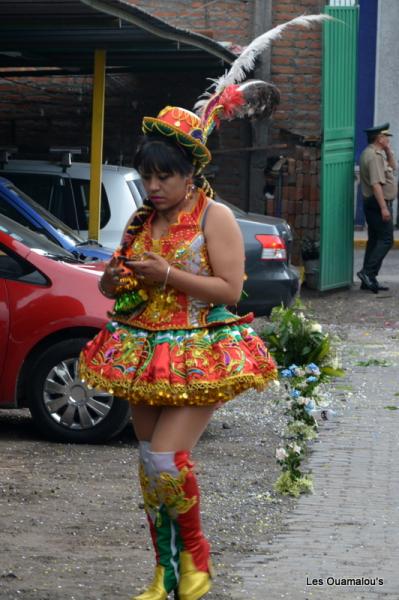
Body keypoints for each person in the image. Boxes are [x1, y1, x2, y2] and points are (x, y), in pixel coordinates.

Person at [79, 105, 277, 600]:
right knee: (149, 462)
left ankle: (197, 560)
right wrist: (112, 279)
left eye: (164, 176)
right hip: (144, 350)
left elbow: (231, 290)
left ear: (191, 175)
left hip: (201, 350)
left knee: (167, 459)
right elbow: (116, 285)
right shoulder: (142, 220)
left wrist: (166, 274)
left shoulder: (217, 216)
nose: (153, 186)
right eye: (147, 176)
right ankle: (163, 574)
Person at [357, 122, 397, 293]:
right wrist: (384, 208)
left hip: (376, 203)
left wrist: (388, 152)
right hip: (377, 203)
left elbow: (394, 168)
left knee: (374, 241)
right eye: (386, 137)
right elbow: (375, 185)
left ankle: (369, 279)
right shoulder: (372, 156)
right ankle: (367, 272)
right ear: (379, 138)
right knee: (386, 240)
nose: (388, 139)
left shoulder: (379, 153)